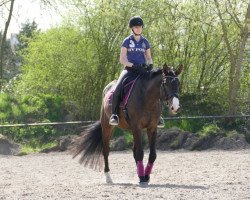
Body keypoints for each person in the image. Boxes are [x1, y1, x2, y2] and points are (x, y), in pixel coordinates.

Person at [109, 16, 164, 127]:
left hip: (143, 70)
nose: (138, 28)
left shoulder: (145, 42)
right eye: (136, 27)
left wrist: (150, 65)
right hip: (129, 70)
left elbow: (148, 57)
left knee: (156, 87)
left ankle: (158, 116)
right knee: (118, 87)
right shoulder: (127, 41)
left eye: (140, 27)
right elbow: (122, 59)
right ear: (132, 28)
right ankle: (114, 114)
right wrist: (133, 65)